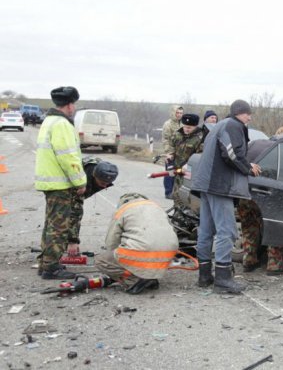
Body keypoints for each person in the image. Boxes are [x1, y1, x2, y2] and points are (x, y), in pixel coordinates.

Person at [191, 99, 261, 293]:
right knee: (227, 231)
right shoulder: (233, 125)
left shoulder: (219, 125)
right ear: (239, 113)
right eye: (247, 113)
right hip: (219, 186)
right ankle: (222, 280)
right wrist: (248, 167)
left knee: (206, 231)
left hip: (206, 184)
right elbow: (230, 154)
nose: (249, 116)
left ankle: (204, 276)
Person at [34, 86, 86, 279]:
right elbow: (68, 157)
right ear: (70, 105)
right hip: (60, 184)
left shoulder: (49, 121)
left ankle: (46, 262)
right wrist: (80, 181)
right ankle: (51, 267)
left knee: (51, 225)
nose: (74, 108)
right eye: (74, 104)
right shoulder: (62, 124)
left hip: (50, 183)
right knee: (59, 227)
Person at [95, 193, 179, 295]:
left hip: (143, 251)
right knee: (147, 248)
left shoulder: (122, 209)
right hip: (169, 252)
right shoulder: (156, 206)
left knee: (101, 261)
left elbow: (111, 242)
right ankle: (151, 277)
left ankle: (134, 280)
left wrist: (117, 257)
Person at [237, 200, 283, 275]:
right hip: (270, 198)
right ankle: (275, 265)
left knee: (250, 229)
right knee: (275, 226)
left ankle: (249, 261)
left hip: (246, 195)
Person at [167, 113, 204, 206]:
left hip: (191, 173)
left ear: (195, 127)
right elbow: (171, 145)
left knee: (187, 197)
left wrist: (189, 164)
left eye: (190, 127)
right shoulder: (177, 134)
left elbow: (201, 154)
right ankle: (177, 215)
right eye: (185, 126)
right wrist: (170, 154)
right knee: (176, 195)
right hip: (178, 170)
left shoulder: (200, 138)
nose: (187, 129)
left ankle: (187, 216)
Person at [161, 105, 184, 199]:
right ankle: (168, 192)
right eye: (177, 113)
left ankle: (177, 192)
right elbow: (165, 139)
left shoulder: (183, 124)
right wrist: (168, 152)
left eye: (181, 113)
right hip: (171, 152)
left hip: (181, 153)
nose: (179, 115)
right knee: (170, 173)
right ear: (173, 113)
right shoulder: (168, 124)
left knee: (179, 173)